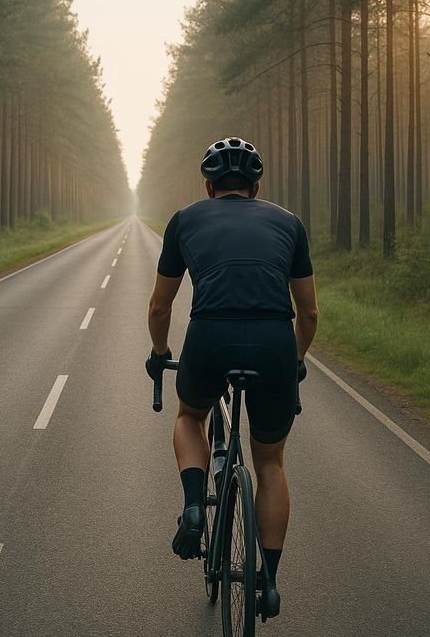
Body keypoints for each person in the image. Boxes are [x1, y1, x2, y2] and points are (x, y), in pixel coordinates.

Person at [145, 136, 318, 613]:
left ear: (208, 187)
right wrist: (296, 360)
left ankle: (196, 505)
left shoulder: (183, 221)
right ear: (257, 188)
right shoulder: (290, 224)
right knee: (270, 462)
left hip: (209, 338)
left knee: (189, 417)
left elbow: (161, 305)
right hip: (274, 342)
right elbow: (310, 313)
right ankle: (269, 580)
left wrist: (160, 353)